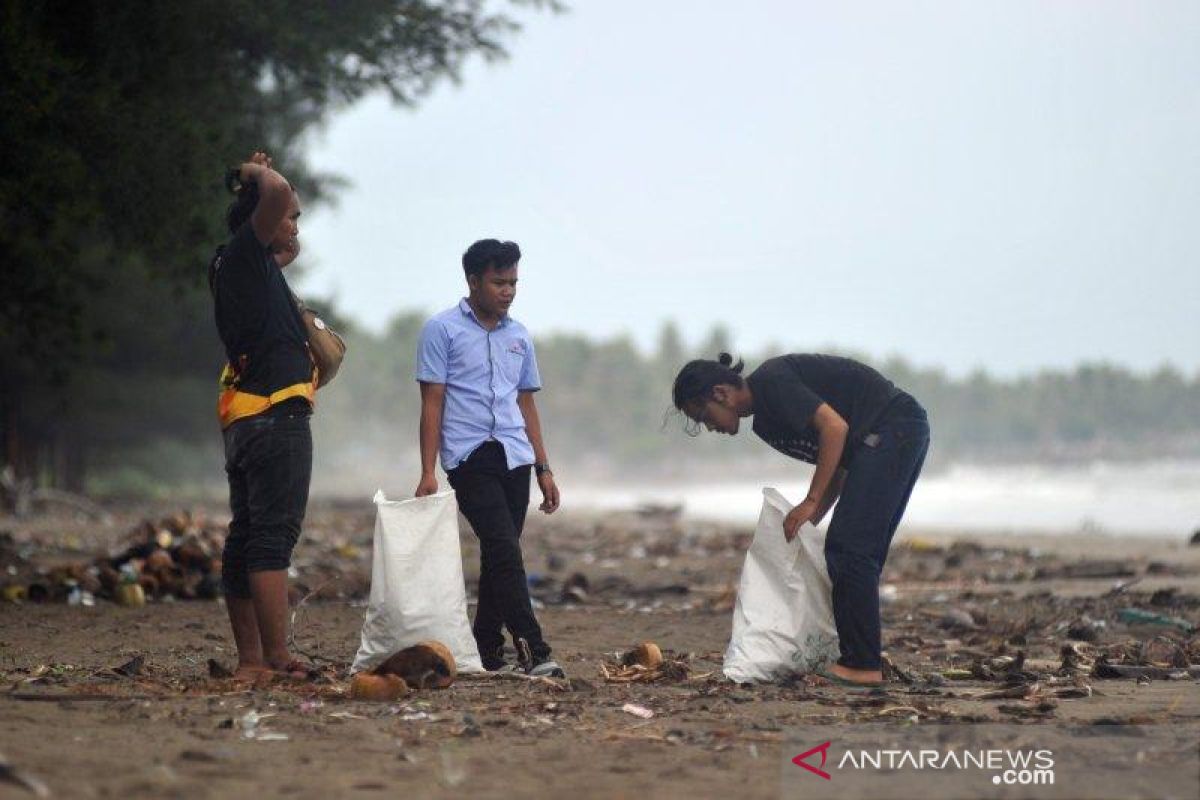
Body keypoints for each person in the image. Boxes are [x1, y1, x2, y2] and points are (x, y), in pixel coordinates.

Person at [672, 352, 930, 687]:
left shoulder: (772, 383)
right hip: (885, 438)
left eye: (704, 415)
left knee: (851, 549)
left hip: (894, 427)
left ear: (721, 393)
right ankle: (860, 659)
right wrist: (811, 520)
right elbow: (840, 462)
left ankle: (862, 665)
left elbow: (835, 429)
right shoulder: (764, 422)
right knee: (851, 549)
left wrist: (810, 501)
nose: (709, 426)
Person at [414, 239, 564, 678]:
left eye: (514, 282)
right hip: (468, 456)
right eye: (499, 282)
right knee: (502, 547)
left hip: (515, 455)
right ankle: (534, 649)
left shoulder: (519, 336)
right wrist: (427, 471)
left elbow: (526, 404)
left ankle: (486, 647)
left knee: (501, 553)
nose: (509, 291)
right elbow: (432, 403)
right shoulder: (441, 330)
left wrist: (544, 467)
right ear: (473, 281)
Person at [209, 151, 314, 680]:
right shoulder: (247, 253)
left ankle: (251, 659)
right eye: (290, 215)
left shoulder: (232, 262)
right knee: (273, 538)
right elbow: (273, 192)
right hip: (278, 415)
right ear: (263, 216)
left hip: (245, 418)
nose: (294, 223)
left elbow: (274, 254)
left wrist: (281, 239)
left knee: (246, 536)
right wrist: (251, 175)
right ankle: (275, 657)